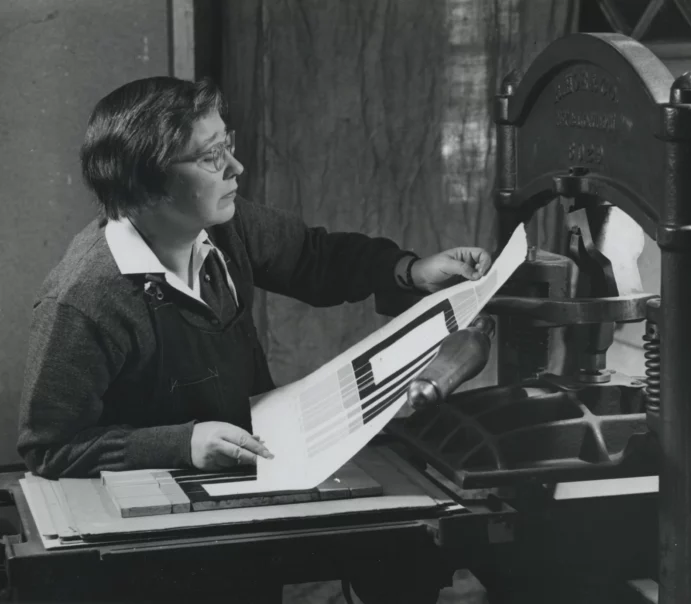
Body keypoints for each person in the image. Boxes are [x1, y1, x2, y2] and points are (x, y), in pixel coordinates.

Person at [17, 76, 492, 480]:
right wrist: (181, 444)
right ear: (147, 184)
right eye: (211, 156)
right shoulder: (83, 300)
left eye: (227, 144)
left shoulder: (225, 225)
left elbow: (314, 258)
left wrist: (409, 271)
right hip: (159, 507)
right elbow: (49, 449)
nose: (236, 167)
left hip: (255, 467)